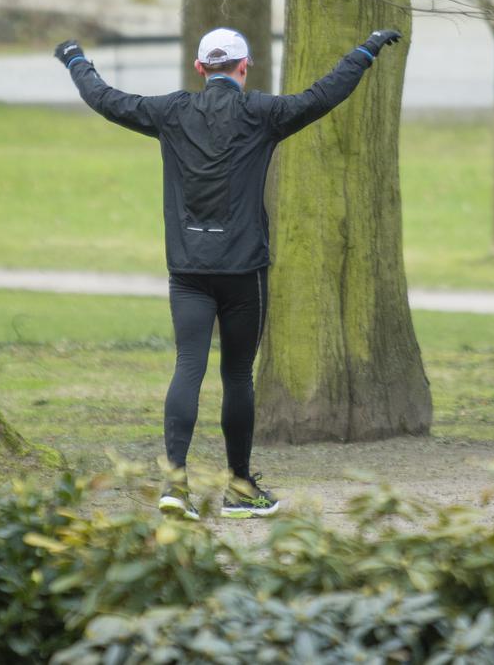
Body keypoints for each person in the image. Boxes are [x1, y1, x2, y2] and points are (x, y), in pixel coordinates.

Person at [55, 26, 401, 519]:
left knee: (187, 367)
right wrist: (364, 51)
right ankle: (241, 488)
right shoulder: (263, 113)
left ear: (200, 69)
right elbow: (324, 95)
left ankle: (175, 486)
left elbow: (107, 100)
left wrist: (74, 59)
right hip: (243, 270)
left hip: (188, 269)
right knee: (237, 374)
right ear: (245, 66)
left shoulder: (171, 112)